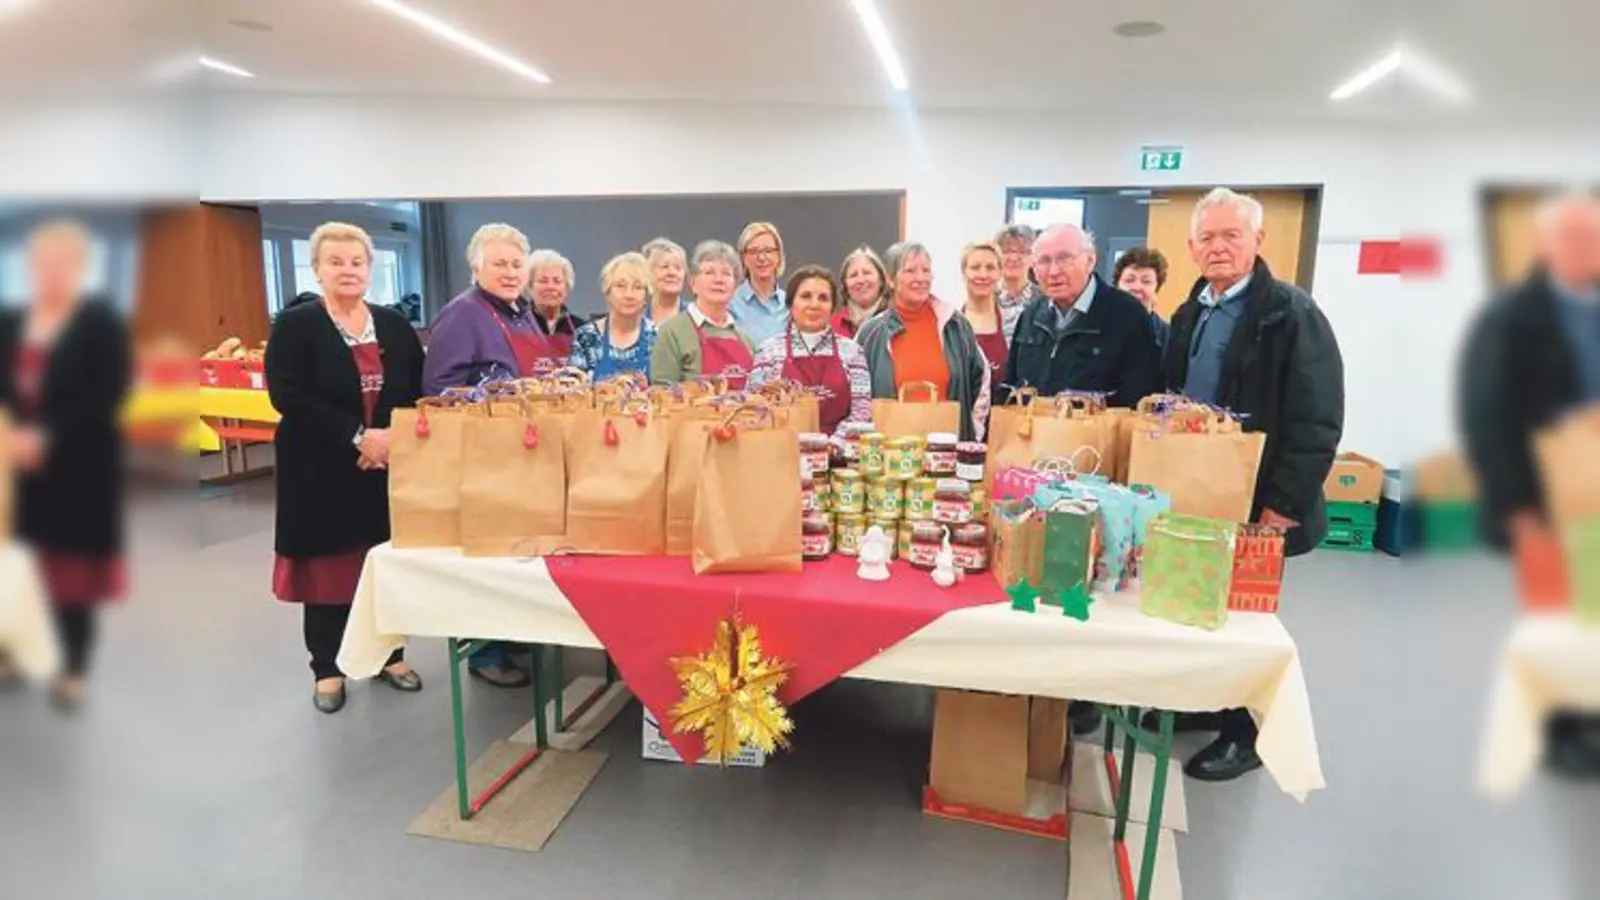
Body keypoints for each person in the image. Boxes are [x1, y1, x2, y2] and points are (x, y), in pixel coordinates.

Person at [1158, 187, 1345, 781]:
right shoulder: (1191, 312)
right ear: (1191, 247)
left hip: (1259, 499)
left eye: (1231, 235)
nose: (1218, 247)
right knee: (1194, 602)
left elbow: (1317, 419)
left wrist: (1282, 509)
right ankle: (1211, 702)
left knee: (1245, 616)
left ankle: (1245, 734)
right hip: (1198, 491)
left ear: (1257, 241)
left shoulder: (1291, 314)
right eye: (1207, 238)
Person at [1460, 192, 1600, 779]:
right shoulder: (1511, 317)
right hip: (1545, 499)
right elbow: (1487, 416)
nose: (1583, 247)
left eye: (1590, 236)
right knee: (1558, 619)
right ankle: (1563, 727)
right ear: (1544, 244)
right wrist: (1517, 505)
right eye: (1569, 236)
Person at [264, 222, 427, 713]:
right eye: (335, 262)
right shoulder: (296, 326)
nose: (347, 270)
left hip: (383, 469)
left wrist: (390, 439)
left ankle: (388, 656)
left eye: (356, 262)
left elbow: (414, 390)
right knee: (328, 574)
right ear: (317, 268)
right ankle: (327, 667)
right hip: (319, 468)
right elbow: (287, 394)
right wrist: (358, 437)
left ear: (370, 269)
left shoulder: (393, 324)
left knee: (381, 565)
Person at [0, 220, 130, 712]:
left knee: (70, 570)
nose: (49, 273)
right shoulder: (9, 322)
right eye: (41, 264)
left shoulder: (99, 323)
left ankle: (74, 664)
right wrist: (10, 436)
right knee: (15, 565)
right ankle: (10, 650)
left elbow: (107, 393)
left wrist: (47, 437)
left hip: (79, 467)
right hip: (11, 466)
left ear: (78, 269)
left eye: (61, 264)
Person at [420, 223, 543, 688]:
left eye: (516, 265)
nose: (510, 273)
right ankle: (484, 650)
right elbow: (438, 388)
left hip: (524, 449)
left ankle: (511, 632)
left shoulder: (520, 314)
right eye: (500, 264)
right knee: (488, 550)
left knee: (517, 549)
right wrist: (501, 395)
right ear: (476, 267)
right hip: (484, 450)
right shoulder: (462, 315)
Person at [1002, 225, 1163, 407]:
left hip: (1099, 433)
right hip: (1034, 431)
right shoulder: (1031, 316)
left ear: (1090, 261)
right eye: (1044, 261)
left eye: (1064, 259)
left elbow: (1142, 399)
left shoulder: (1128, 316)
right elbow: (1011, 387)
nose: (1054, 271)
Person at [855, 242, 990, 441]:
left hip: (947, 450)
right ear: (891, 280)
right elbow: (856, 397)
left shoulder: (955, 325)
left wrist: (973, 432)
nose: (920, 278)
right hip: (890, 452)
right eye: (910, 271)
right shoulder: (870, 334)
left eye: (926, 270)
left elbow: (981, 380)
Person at [748, 265, 872, 436]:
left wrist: (833, 444)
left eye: (823, 298)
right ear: (790, 304)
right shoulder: (768, 351)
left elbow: (862, 411)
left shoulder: (852, 352)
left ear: (832, 307)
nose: (814, 305)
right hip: (783, 451)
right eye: (805, 296)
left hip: (839, 456)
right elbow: (753, 407)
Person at [651, 240, 757, 387]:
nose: (718, 280)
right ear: (693, 282)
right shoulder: (671, 333)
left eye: (726, 273)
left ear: (735, 286)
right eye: (709, 272)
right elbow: (661, 395)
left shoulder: (746, 340)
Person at [570, 251, 658, 380]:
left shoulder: (658, 338)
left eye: (638, 287)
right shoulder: (587, 337)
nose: (629, 295)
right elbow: (574, 391)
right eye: (620, 286)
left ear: (646, 295)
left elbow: (667, 390)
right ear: (607, 292)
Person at [959, 241, 1013, 390]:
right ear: (964, 273)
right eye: (975, 267)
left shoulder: (1014, 322)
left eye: (990, 268)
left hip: (1004, 411)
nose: (983, 275)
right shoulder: (951, 325)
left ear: (1000, 273)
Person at [731, 221, 788, 345]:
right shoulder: (730, 304)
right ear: (743, 258)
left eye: (768, 250)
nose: (761, 258)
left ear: (778, 256)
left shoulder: (791, 304)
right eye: (753, 251)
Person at [527, 249, 584, 364]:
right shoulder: (515, 326)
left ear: (567, 288)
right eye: (543, 281)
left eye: (557, 281)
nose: (551, 287)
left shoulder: (582, 329)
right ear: (529, 286)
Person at [1113, 246, 1172, 350]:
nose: (1137, 288)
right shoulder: (1095, 328)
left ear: (1156, 288)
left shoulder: (1169, 337)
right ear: (1117, 286)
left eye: (1146, 281)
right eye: (1129, 280)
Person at [831, 244, 890, 338]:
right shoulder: (831, 327)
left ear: (881, 280)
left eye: (867, 273)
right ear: (845, 285)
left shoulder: (896, 323)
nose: (861, 280)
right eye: (853, 275)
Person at [995, 223, 1045, 319]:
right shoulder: (985, 298)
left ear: (1034, 258)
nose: (1013, 258)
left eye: (1022, 251)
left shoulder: (1046, 300)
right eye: (1007, 251)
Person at [642, 237, 688, 325]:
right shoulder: (636, 319)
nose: (672, 273)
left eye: (678, 268)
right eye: (665, 266)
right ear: (648, 273)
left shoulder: (697, 318)